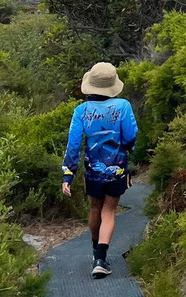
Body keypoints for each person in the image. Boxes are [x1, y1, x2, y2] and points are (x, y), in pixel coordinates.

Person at [61, 61, 138, 279]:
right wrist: (127, 149)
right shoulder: (123, 106)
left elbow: (74, 144)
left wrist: (68, 174)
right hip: (118, 168)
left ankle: (96, 253)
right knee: (109, 210)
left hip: (92, 170)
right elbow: (131, 136)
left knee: (95, 208)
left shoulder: (81, 111)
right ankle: (101, 260)